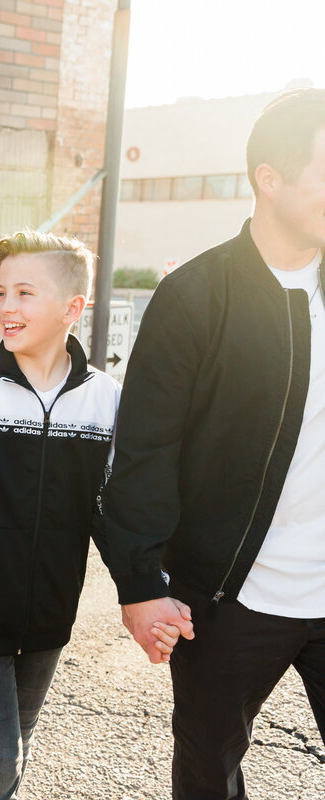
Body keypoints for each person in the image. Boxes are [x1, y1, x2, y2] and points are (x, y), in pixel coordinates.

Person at [99, 87, 325, 800]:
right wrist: (139, 585)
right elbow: (145, 451)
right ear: (271, 179)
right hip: (229, 597)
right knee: (208, 772)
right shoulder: (196, 296)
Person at [0, 231, 140, 800]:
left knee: (20, 742)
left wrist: (146, 586)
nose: (6, 307)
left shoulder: (104, 399)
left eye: (24, 292)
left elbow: (112, 509)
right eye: (0, 292)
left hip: (51, 615)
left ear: (73, 307)